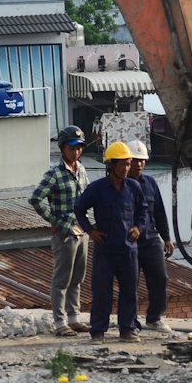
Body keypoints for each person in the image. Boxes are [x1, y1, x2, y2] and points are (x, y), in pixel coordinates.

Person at [74, 141, 145, 342]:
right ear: (111, 165)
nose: (126, 168)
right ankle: (98, 331)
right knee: (102, 292)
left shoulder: (133, 187)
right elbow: (79, 209)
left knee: (129, 292)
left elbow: (143, 210)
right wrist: (90, 231)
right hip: (105, 250)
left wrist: (138, 227)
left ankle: (127, 329)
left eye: (128, 164)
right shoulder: (97, 189)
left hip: (128, 251)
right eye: (122, 164)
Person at [29, 126, 89, 337]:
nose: (76, 152)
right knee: (62, 279)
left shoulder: (82, 170)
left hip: (82, 231)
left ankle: (74, 319)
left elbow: (88, 197)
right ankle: (60, 321)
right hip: (64, 233)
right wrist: (53, 221)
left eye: (79, 148)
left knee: (77, 278)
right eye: (72, 148)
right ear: (63, 147)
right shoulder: (54, 173)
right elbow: (35, 198)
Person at [125, 140, 174, 332]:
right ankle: (130, 321)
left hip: (151, 240)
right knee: (131, 283)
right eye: (135, 160)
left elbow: (160, 212)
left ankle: (154, 317)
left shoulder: (150, 183)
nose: (139, 165)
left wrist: (167, 238)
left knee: (160, 279)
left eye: (142, 161)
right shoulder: (122, 185)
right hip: (131, 242)